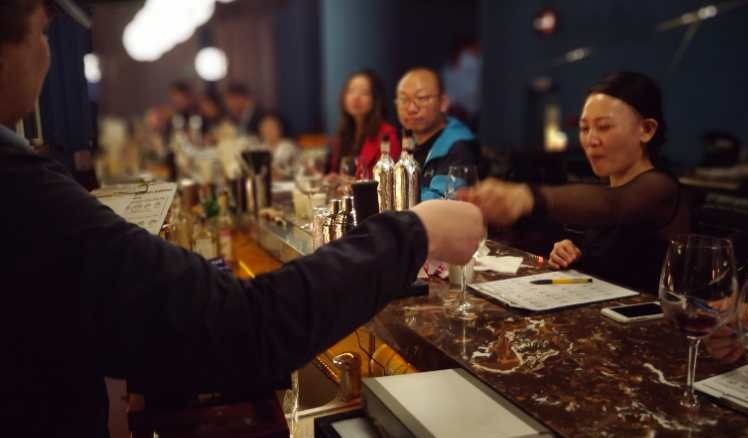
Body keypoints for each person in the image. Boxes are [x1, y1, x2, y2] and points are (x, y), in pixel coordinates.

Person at [0, 1, 485, 435]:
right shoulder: (24, 191)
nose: (47, 52)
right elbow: (244, 325)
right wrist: (414, 232)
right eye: (42, 30)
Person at [464, 72, 689, 293]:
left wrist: (525, 197)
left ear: (647, 130)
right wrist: (573, 254)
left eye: (604, 127)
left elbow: (611, 205)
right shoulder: (605, 188)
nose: (591, 140)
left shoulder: (661, 189)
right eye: (584, 128)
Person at [395, 67, 481, 200]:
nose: (411, 108)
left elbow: (443, 199)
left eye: (421, 98)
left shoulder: (459, 146)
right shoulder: (407, 142)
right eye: (404, 99)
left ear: (443, 103)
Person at [329, 69, 400, 177]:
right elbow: (337, 172)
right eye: (351, 91)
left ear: (375, 99)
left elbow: (386, 179)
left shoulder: (387, 135)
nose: (356, 97)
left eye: (365, 93)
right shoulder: (344, 132)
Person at [257, 111, 299, 179]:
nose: (268, 131)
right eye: (265, 127)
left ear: (280, 129)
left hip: (287, 181)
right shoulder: (259, 148)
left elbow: (285, 169)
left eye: (271, 127)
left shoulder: (288, 146)